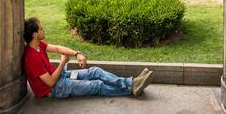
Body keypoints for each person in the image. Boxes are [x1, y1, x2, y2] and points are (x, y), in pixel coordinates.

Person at [23, 18, 153, 100]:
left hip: (61, 77)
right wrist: (63, 62)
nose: (43, 30)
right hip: (56, 88)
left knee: (95, 71)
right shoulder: (31, 57)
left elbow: (57, 49)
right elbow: (50, 82)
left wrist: (77, 54)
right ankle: (131, 88)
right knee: (97, 85)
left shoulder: (39, 45)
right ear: (35, 34)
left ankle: (131, 83)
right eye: (41, 28)